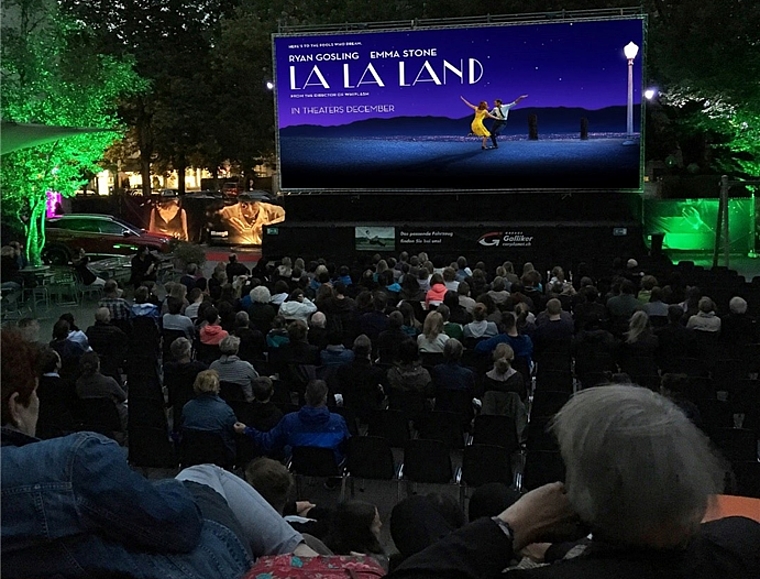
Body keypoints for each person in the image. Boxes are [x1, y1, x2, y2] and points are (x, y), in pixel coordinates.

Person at [1, 331, 317, 578]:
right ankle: (304, 553)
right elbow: (177, 528)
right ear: (16, 406)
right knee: (205, 475)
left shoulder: (189, 409)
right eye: (35, 396)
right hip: (193, 564)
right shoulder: (74, 460)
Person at [387, 385, 759, 579]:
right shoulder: (743, 540)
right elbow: (644, 561)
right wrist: (553, 551)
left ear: (584, 498)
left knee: (416, 512)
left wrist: (509, 528)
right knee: (490, 496)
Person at [234, 379, 351, 464]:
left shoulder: (289, 420)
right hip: (330, 464)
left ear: (305, 396)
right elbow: (348, 445)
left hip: (299, 463)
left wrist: (247, 430)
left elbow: (268, 442)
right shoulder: (338, 421)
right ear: (325, 397)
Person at [180, 369, 238, 459]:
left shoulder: (187, 408)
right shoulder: (226, 411)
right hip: (220, 457)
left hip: (192, 456)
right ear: (217, 386)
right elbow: (233, 433)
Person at [75, 350, 128, 435]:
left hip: (89, 421)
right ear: (98, 364)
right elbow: (123, 397)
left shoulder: (78, 384)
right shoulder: (108, 382)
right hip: (111, 420)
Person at [209, 335, 258, 402]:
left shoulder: (213, 365)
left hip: (219, 400)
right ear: (237, 349)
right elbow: (257, 380)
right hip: (245, 403)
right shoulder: (245, 366)